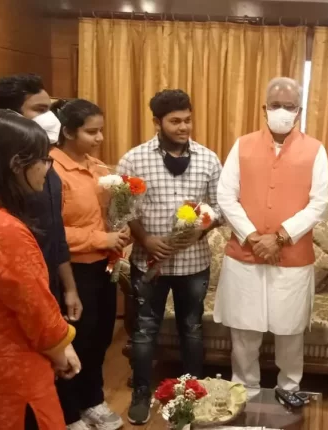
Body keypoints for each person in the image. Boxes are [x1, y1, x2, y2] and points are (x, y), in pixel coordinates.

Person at [0, 110, 81, 430]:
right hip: (14, 378)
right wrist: (62, 351)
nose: (47, 168)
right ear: (15, 164)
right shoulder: (4, 230)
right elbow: (36, 310)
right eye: (43, 160)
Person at [214, 77, 328, 398]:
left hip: (291, 258)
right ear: (265, 109)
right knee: (244, 331)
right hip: (245, 255)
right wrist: (254, 237)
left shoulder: (315, 150)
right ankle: (244, 390)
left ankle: (288, 390)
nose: (282, 111)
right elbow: (226, 195)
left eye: (289, 106)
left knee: (290, 331)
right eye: (276, 105)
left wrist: (279, 237)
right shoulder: (243, 145)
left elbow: (319, 204)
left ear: (299, 111)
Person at [118, 89, 222, 425]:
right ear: (157, 122)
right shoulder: (133, 160)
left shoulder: (208, 159)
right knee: (145, 331)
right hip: (149, 265)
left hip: (194, 264)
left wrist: (198, 230)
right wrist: (146, 239)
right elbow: (123, 209)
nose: (183, 127)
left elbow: (219, 208)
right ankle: (141, 394)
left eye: (187, 120)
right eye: (175, 121)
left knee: (191, 329)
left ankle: (191, 395)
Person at [51, 99, 128, 430]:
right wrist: (100, 239)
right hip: (72, 271)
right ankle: (69, 413)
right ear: (68, 132)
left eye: (101, 131)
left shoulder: (97, 167)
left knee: (100, 338)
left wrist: (120, 229)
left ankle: (92, 400)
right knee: (76, 341)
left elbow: (109, 214)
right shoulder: (53, 171)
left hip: (103, 267)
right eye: (91, 132)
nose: (99, 138)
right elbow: (51, 231)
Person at [0, 74, 83, 324]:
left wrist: (70, 288)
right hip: (18, 303)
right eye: (40, 110)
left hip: (50, 287)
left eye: (50, 109)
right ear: (8, 116)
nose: (51, 119)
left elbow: (56, 233)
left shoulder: (45, 168)